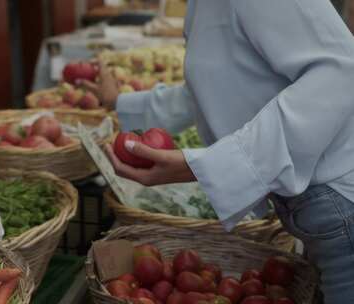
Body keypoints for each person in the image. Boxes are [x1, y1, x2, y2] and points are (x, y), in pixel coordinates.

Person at [82, 1, 354, 303]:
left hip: (340, 203)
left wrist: (211, 165)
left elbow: (341, 72)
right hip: (316, 206)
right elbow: (217, 86)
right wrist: (122, 103)